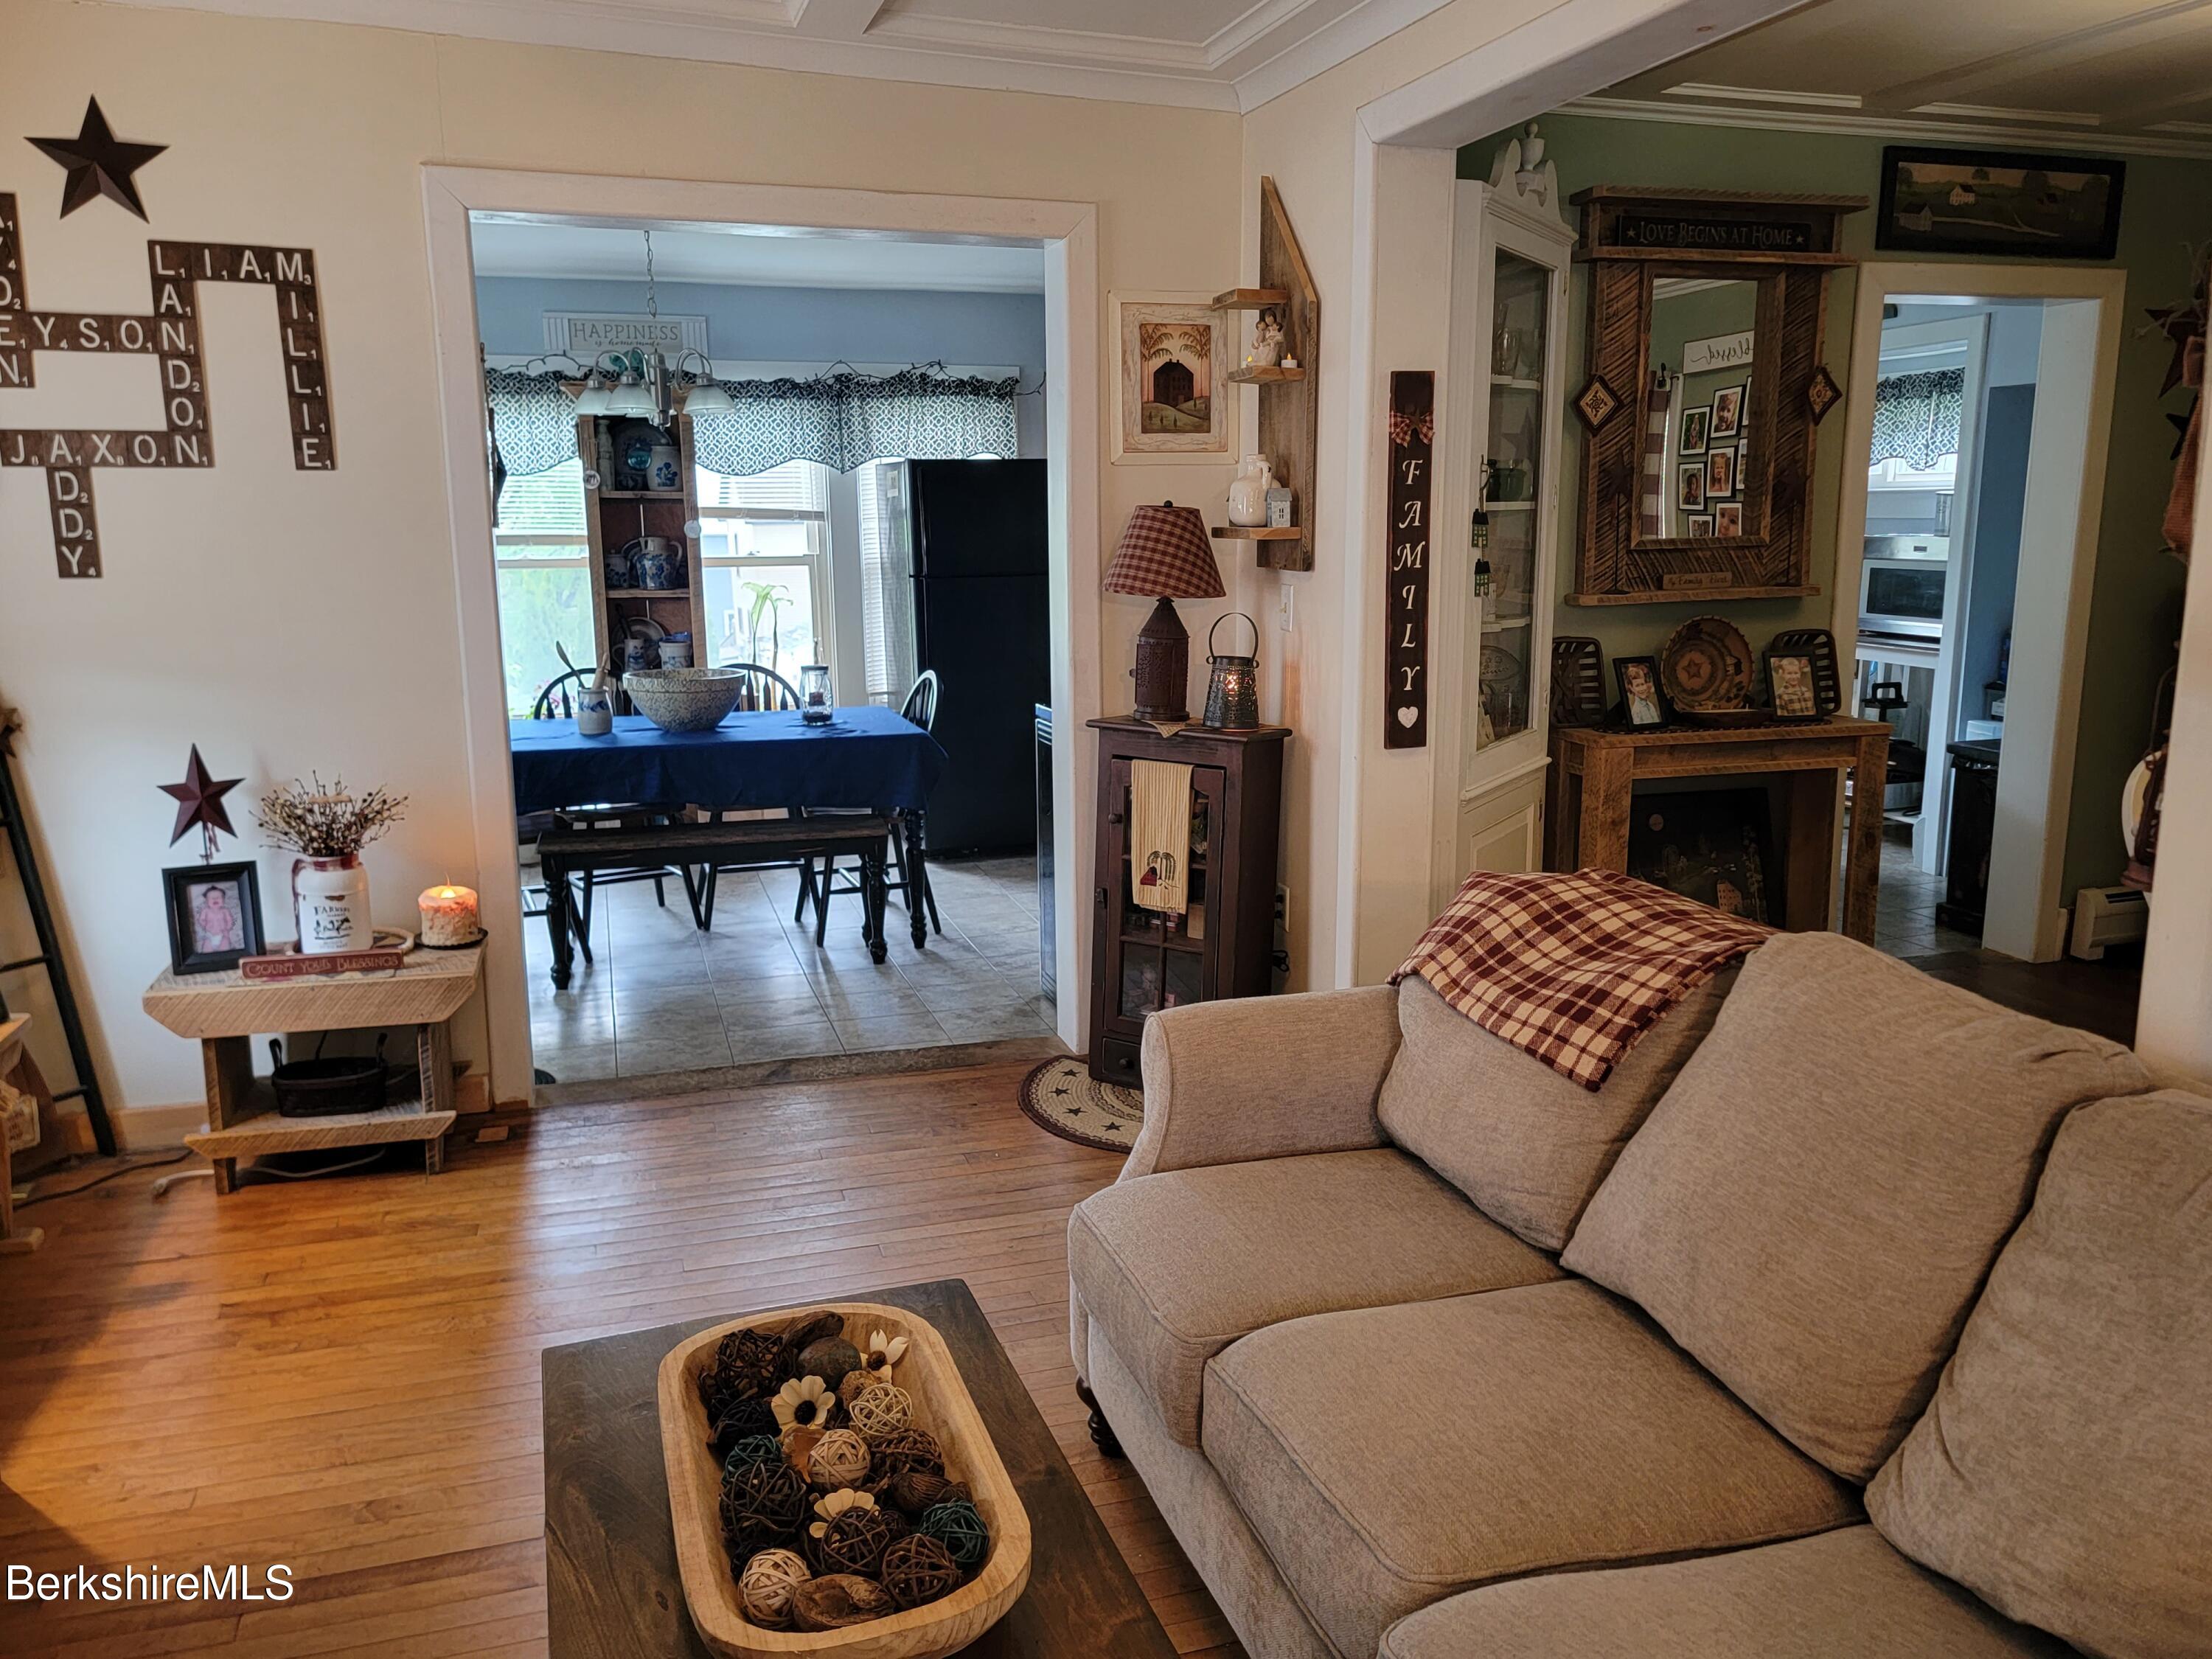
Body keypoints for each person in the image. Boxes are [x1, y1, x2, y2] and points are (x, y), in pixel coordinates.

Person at [194, 883, 243, 953]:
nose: (215, 899)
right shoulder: (205, 911)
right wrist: (204, 925)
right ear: (206, 901)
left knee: (225, 946)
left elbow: (229, 920)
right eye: (212, 898)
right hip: (210, 935)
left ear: (223, 900)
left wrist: (228, 928)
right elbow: (201, 919)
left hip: (223, 934)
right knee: (207, 948)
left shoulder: (225, 911)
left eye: (219, 897)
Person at [1623, 661, 1663, 726]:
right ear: (1631, 688)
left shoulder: (1651, 706)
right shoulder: (1636, 712)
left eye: (1642, 684)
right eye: (1637, 686)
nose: (1641, 688)